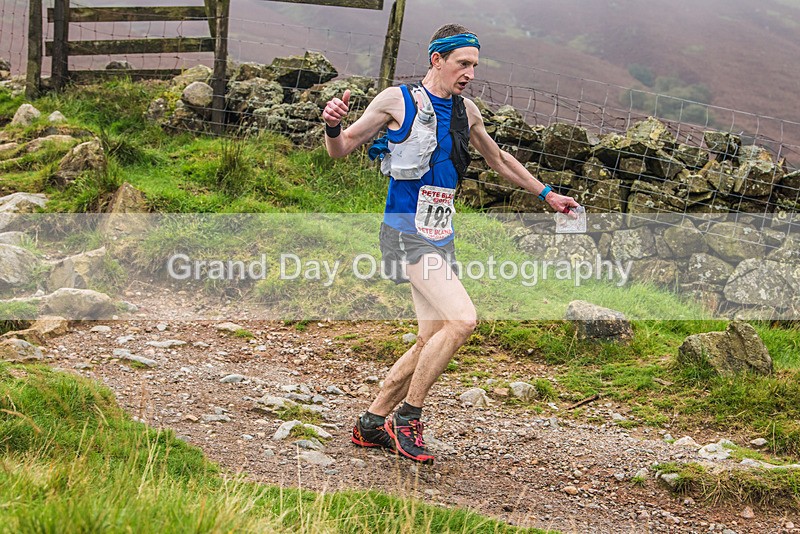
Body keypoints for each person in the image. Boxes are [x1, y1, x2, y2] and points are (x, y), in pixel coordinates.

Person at [322, 23, 579, 464]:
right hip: (405, 233)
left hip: (441, 233)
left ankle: (370, 422)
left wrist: (546, 194)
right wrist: (331, 126)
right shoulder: (396, 101)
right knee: (462, 321)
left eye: (475, 66)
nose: (470, 74)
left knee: (431, 335)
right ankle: (408, 418)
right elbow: (341, 148)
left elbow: (497, 159)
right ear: (437, 60)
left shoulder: (466, 112)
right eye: (463, 64)